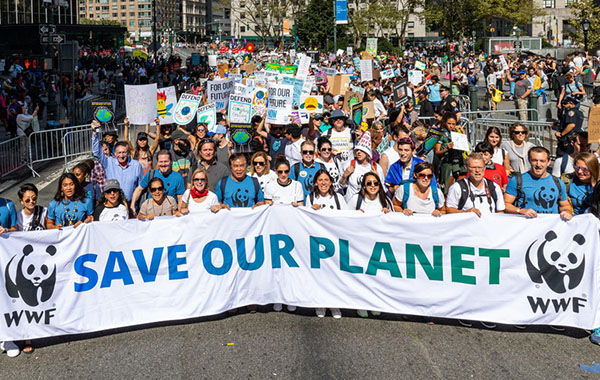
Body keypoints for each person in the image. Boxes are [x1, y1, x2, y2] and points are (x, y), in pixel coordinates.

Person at [504, 147, 572, 220]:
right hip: (526, 227)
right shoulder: (517, 180)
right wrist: (520, 211)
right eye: (534, 160)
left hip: (550, 226)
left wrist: (567, 212)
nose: (538, 164)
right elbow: (505, 204)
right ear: (529, 161)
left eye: (542, 161)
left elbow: (564, 205)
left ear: (549, 162)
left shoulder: (558, 182)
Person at [92, 120, 144, 203]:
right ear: (115, 154)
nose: (122, 155)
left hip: (131, 205)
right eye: (119, 153)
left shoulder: (136, 165)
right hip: (113, 204)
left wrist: (134, 204)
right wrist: (95, 132)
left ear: (128, 153)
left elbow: (141, 186)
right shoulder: (109, 162)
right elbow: (96, 153)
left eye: (124, 152)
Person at [446, 153, 505, 217]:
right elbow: (449, 210)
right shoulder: (457, 187)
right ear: (466, 168)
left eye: (480, 167)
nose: (477, 170)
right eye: (473, 167)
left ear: (484, 168)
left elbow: (500, 211)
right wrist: (465, 212)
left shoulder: (494, 187)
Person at [130, 150, 186, 215]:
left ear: (171, 162)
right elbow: (139, 189)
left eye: (166, 161)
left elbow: (180, 197)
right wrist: (132, 205)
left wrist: (179, 212)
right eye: (161, 162)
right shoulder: (151, 174)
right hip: (151, 212)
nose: (163, 164)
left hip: (169, 212)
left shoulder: (177, 177)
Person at [340, 131, 385, 201]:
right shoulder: (349, 164)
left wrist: (377, 178)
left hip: (368, 205)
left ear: (368, 153)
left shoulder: (376, 167)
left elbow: (383, 190)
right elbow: (340, 186)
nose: (358, 152)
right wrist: (344, 176)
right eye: (357, 150)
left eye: (362, 150)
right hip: (351, 205)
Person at [434, 112, 465, 193]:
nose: (451, 126)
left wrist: (463, 136)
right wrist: (446, 149)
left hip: (458, 162)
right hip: (447, 163)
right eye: (449, 123)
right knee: (447, 189)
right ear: (445, 123)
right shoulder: (441, 134)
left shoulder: (457, 132)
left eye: (453, 124)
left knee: (460, 188)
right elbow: (437, 152)